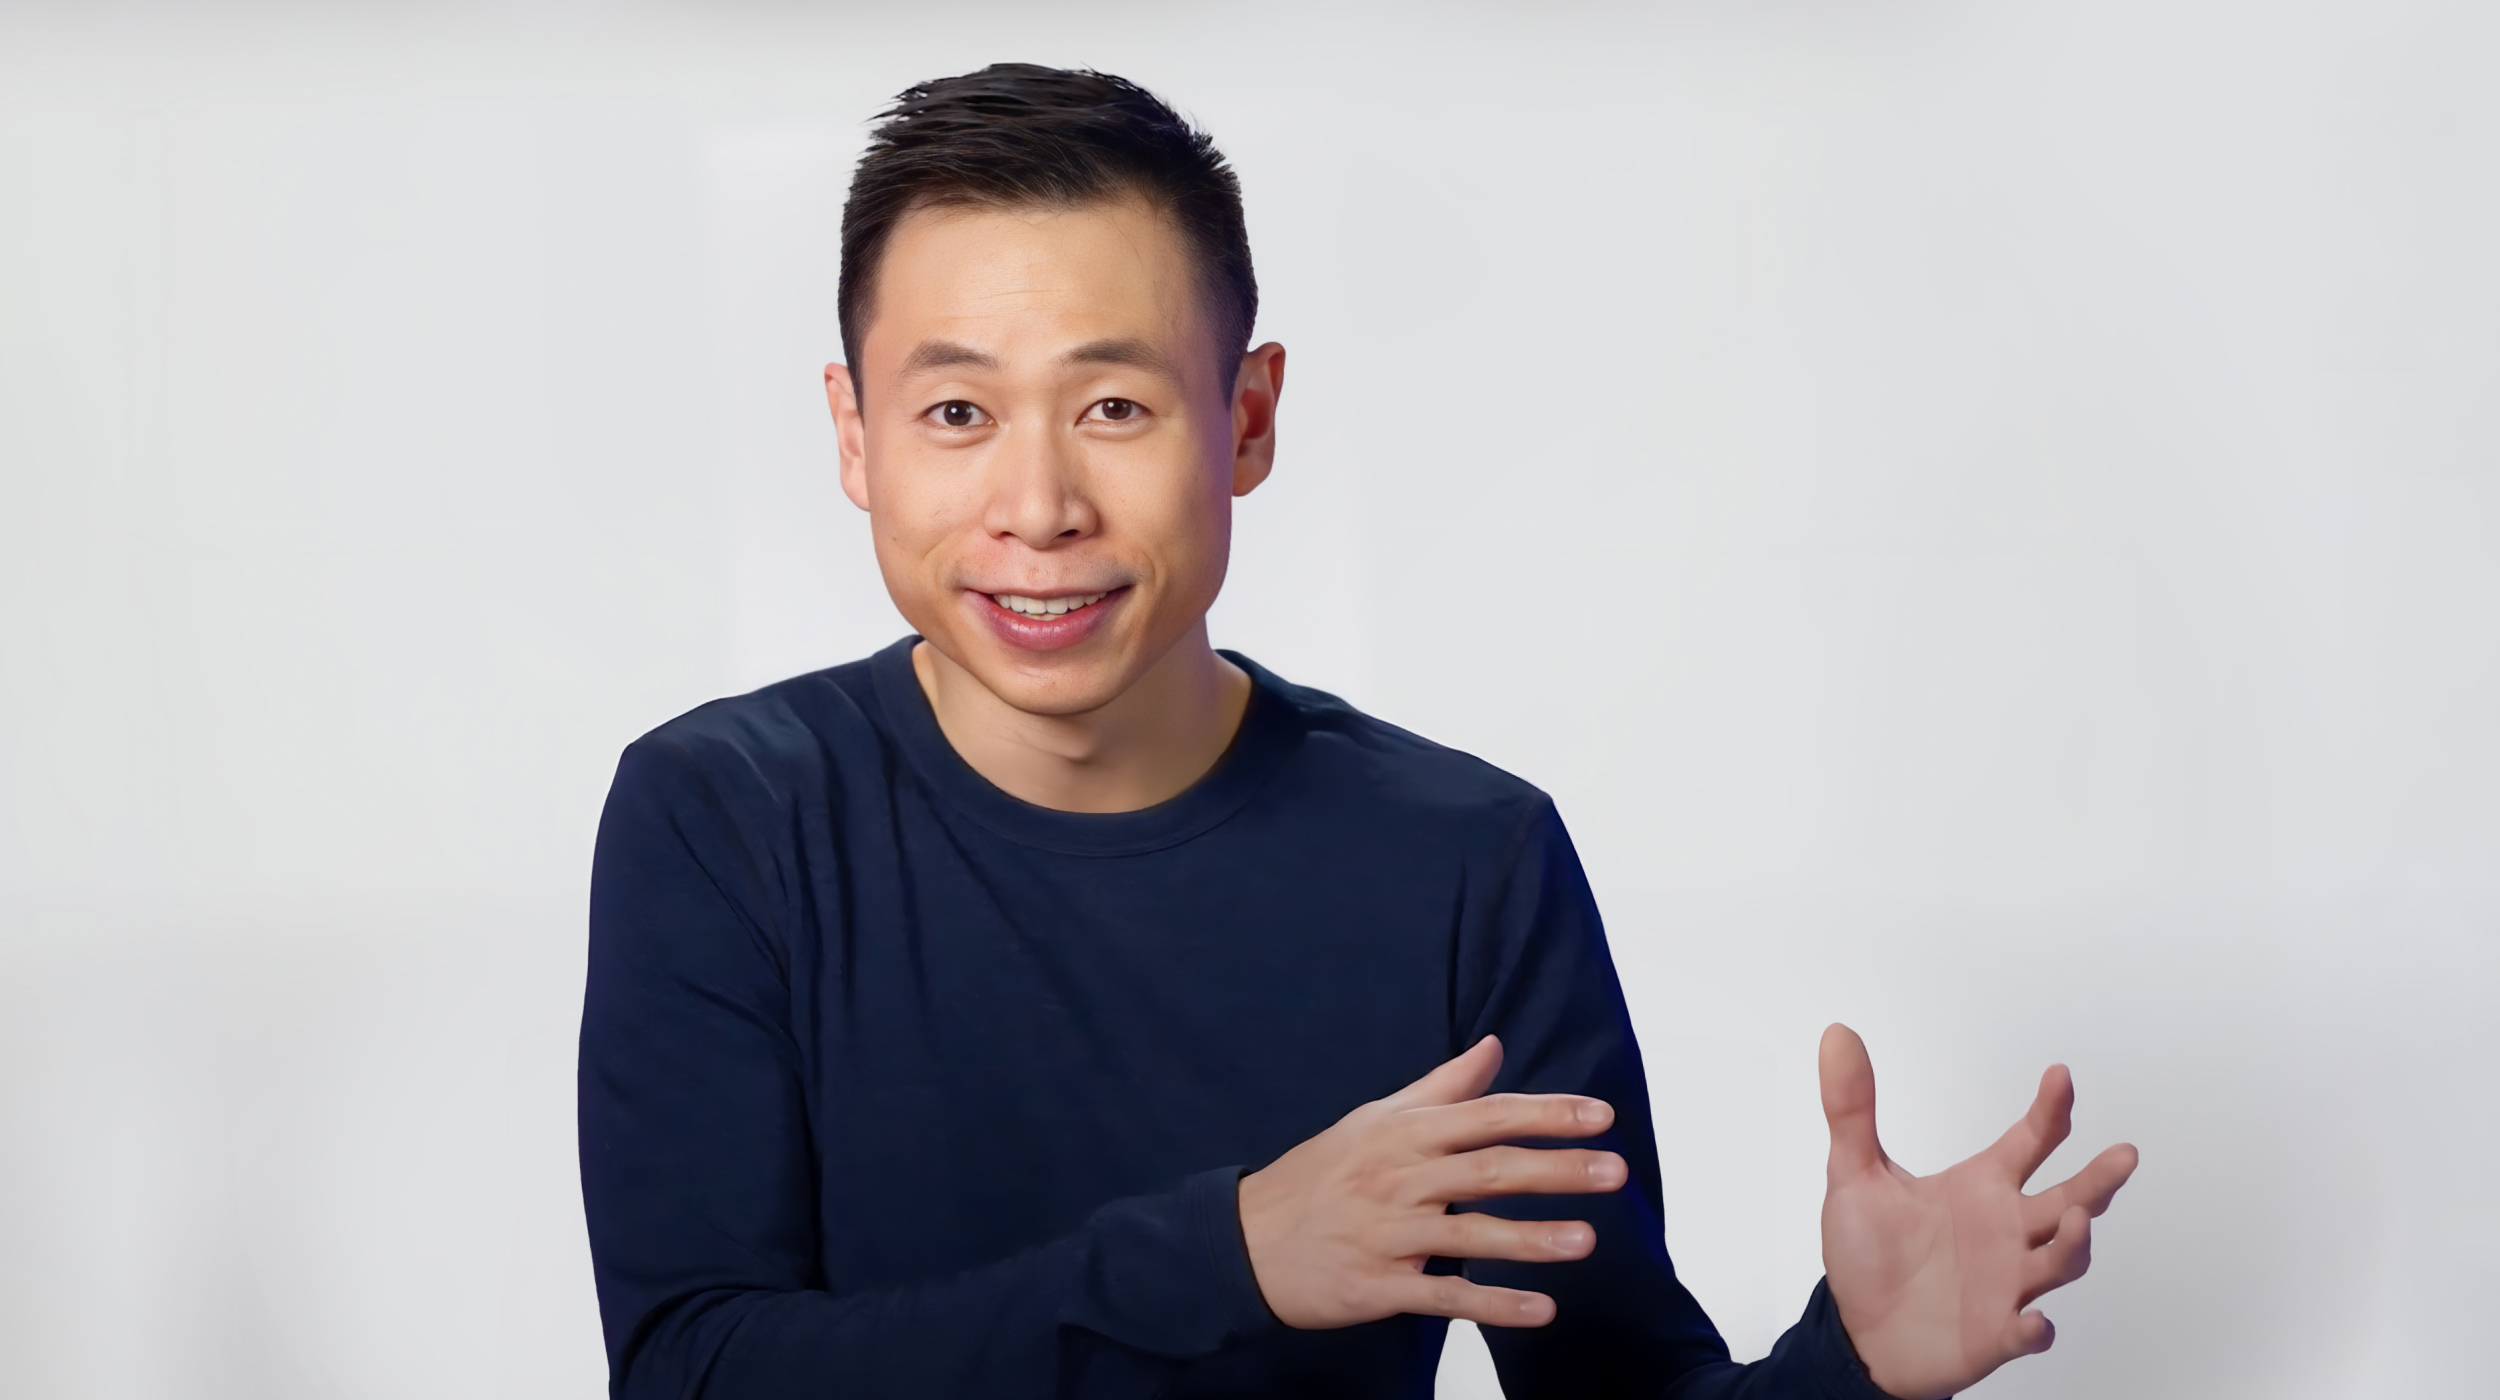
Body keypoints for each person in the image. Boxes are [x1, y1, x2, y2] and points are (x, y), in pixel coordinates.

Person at [577, 63, 2137, 1400]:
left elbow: (1610, 1380)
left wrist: (1851, 1364)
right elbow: (697, 1370)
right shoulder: (723, 821)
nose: (1038, 508)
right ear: (856, 436)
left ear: (1245, 419)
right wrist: (1236, 1254)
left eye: (1115, 408)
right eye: (957, 413)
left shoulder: (1460, 863)